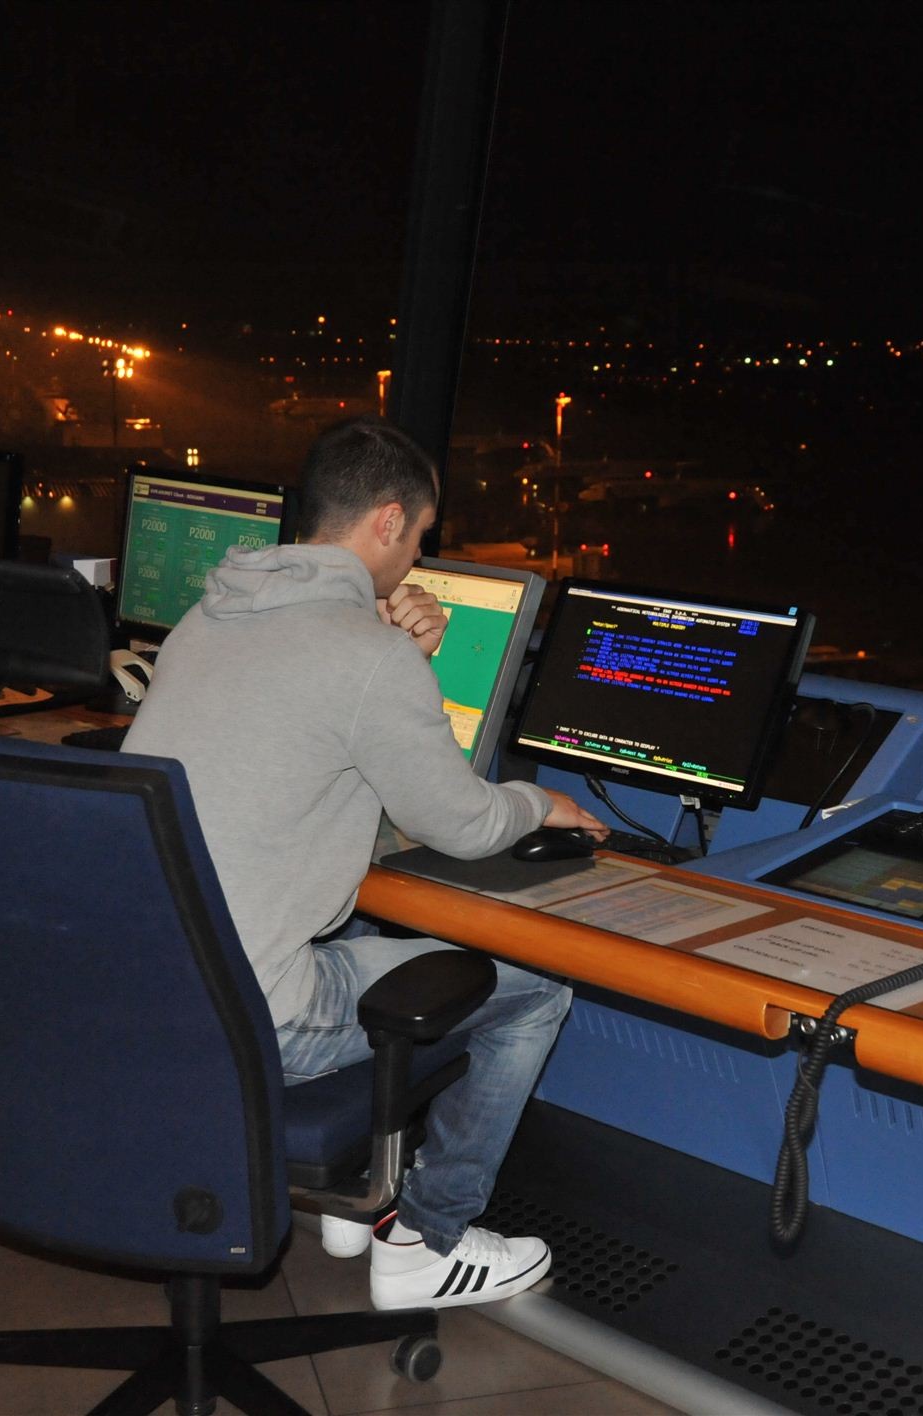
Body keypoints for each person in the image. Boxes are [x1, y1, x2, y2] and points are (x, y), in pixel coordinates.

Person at [122, 416, 607, 1311]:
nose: (417, 559)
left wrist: (401, 660)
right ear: (387, 521)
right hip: (252, 1012)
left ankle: (355, 1196)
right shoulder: (365, 655)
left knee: (362, 937)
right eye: (420, 538)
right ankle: (427, 1241)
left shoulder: (207, 616)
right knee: (537, 990)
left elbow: (308, 755)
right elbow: (463, 823)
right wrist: (542, 804)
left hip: (137, 986)